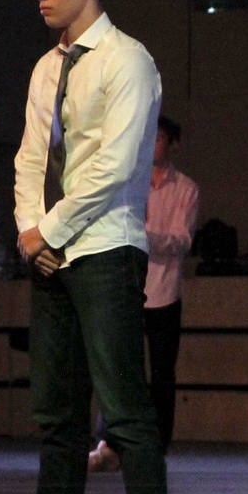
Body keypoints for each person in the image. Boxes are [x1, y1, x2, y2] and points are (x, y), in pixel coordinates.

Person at [0, 0, 170, 494]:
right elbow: (29, 157)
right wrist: (29, 231)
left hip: (105, 247)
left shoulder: (128, 60)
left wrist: (48, 229)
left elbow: (115, 166)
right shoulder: (46, 67)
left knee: (125, 409)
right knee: (56, 415)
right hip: (50, 252)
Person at [89, 115, 199, 468]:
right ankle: (112, 440)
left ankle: (159, 443)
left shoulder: (186, 189)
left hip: (165, 291)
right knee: (121, 367)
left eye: (160, 139)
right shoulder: (130, 180)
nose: (152, 145)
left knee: (162, 373)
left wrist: (144, 235)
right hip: (129, 288)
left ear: (173, 144)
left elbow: (182, 240)